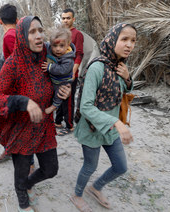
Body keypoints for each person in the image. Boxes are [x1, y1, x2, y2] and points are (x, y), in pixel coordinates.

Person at [0, 16, 71, 212]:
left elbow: (62, 75)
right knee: (22, 171)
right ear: (22, 36)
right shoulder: (13, 63)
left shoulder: (48, 57)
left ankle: (27, 185)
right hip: (21, 131)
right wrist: (23, 101)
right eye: (32, 32)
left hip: (44, 127)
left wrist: (62, 93)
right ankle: (22, 198)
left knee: (51, 169)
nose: (39, 36)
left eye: (40, 30)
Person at [70, 23, 136, 212]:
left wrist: (128, 78)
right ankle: (77, 195)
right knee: (90, 166)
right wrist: (116, 122)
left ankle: (95, 188)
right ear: (112, 39)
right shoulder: (97, 68)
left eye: (133, 41)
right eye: (124, 39)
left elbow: (125, 92)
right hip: (92, 128)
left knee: (121, 166)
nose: (129, 45)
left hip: (110, 129)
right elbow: (86, 107)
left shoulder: (121, 67)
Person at [0, 3, 19, 164]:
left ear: (0, 21)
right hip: (15, 86)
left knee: (9, 121)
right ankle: (10, 150)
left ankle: (26, 163)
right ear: (16, 19)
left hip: (14, 87)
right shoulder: (18, 33)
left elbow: (16, 63)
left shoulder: (10, 36)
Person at [55, 8, 84, 136]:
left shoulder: (77, 34)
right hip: (59, 72)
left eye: (68, 18)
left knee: (69, 99)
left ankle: (70, 125)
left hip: (70, 74)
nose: (65, 20)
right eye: (63, 18)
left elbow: (78, 55)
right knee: (60, 97)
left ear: (73, 19)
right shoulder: (60, 34)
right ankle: (57, 121)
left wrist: (72, 72)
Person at [41, 27, 75, 114]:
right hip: (53, 79)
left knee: (60, 92)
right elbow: (44, 45)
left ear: (68, 44)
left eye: (61, 46)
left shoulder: (68, 58)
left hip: (63, 80)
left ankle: (54, 106)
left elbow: (63, 70)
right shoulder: (49, 48)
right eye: (55, 46)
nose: (58, 49)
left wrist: (50, 67)